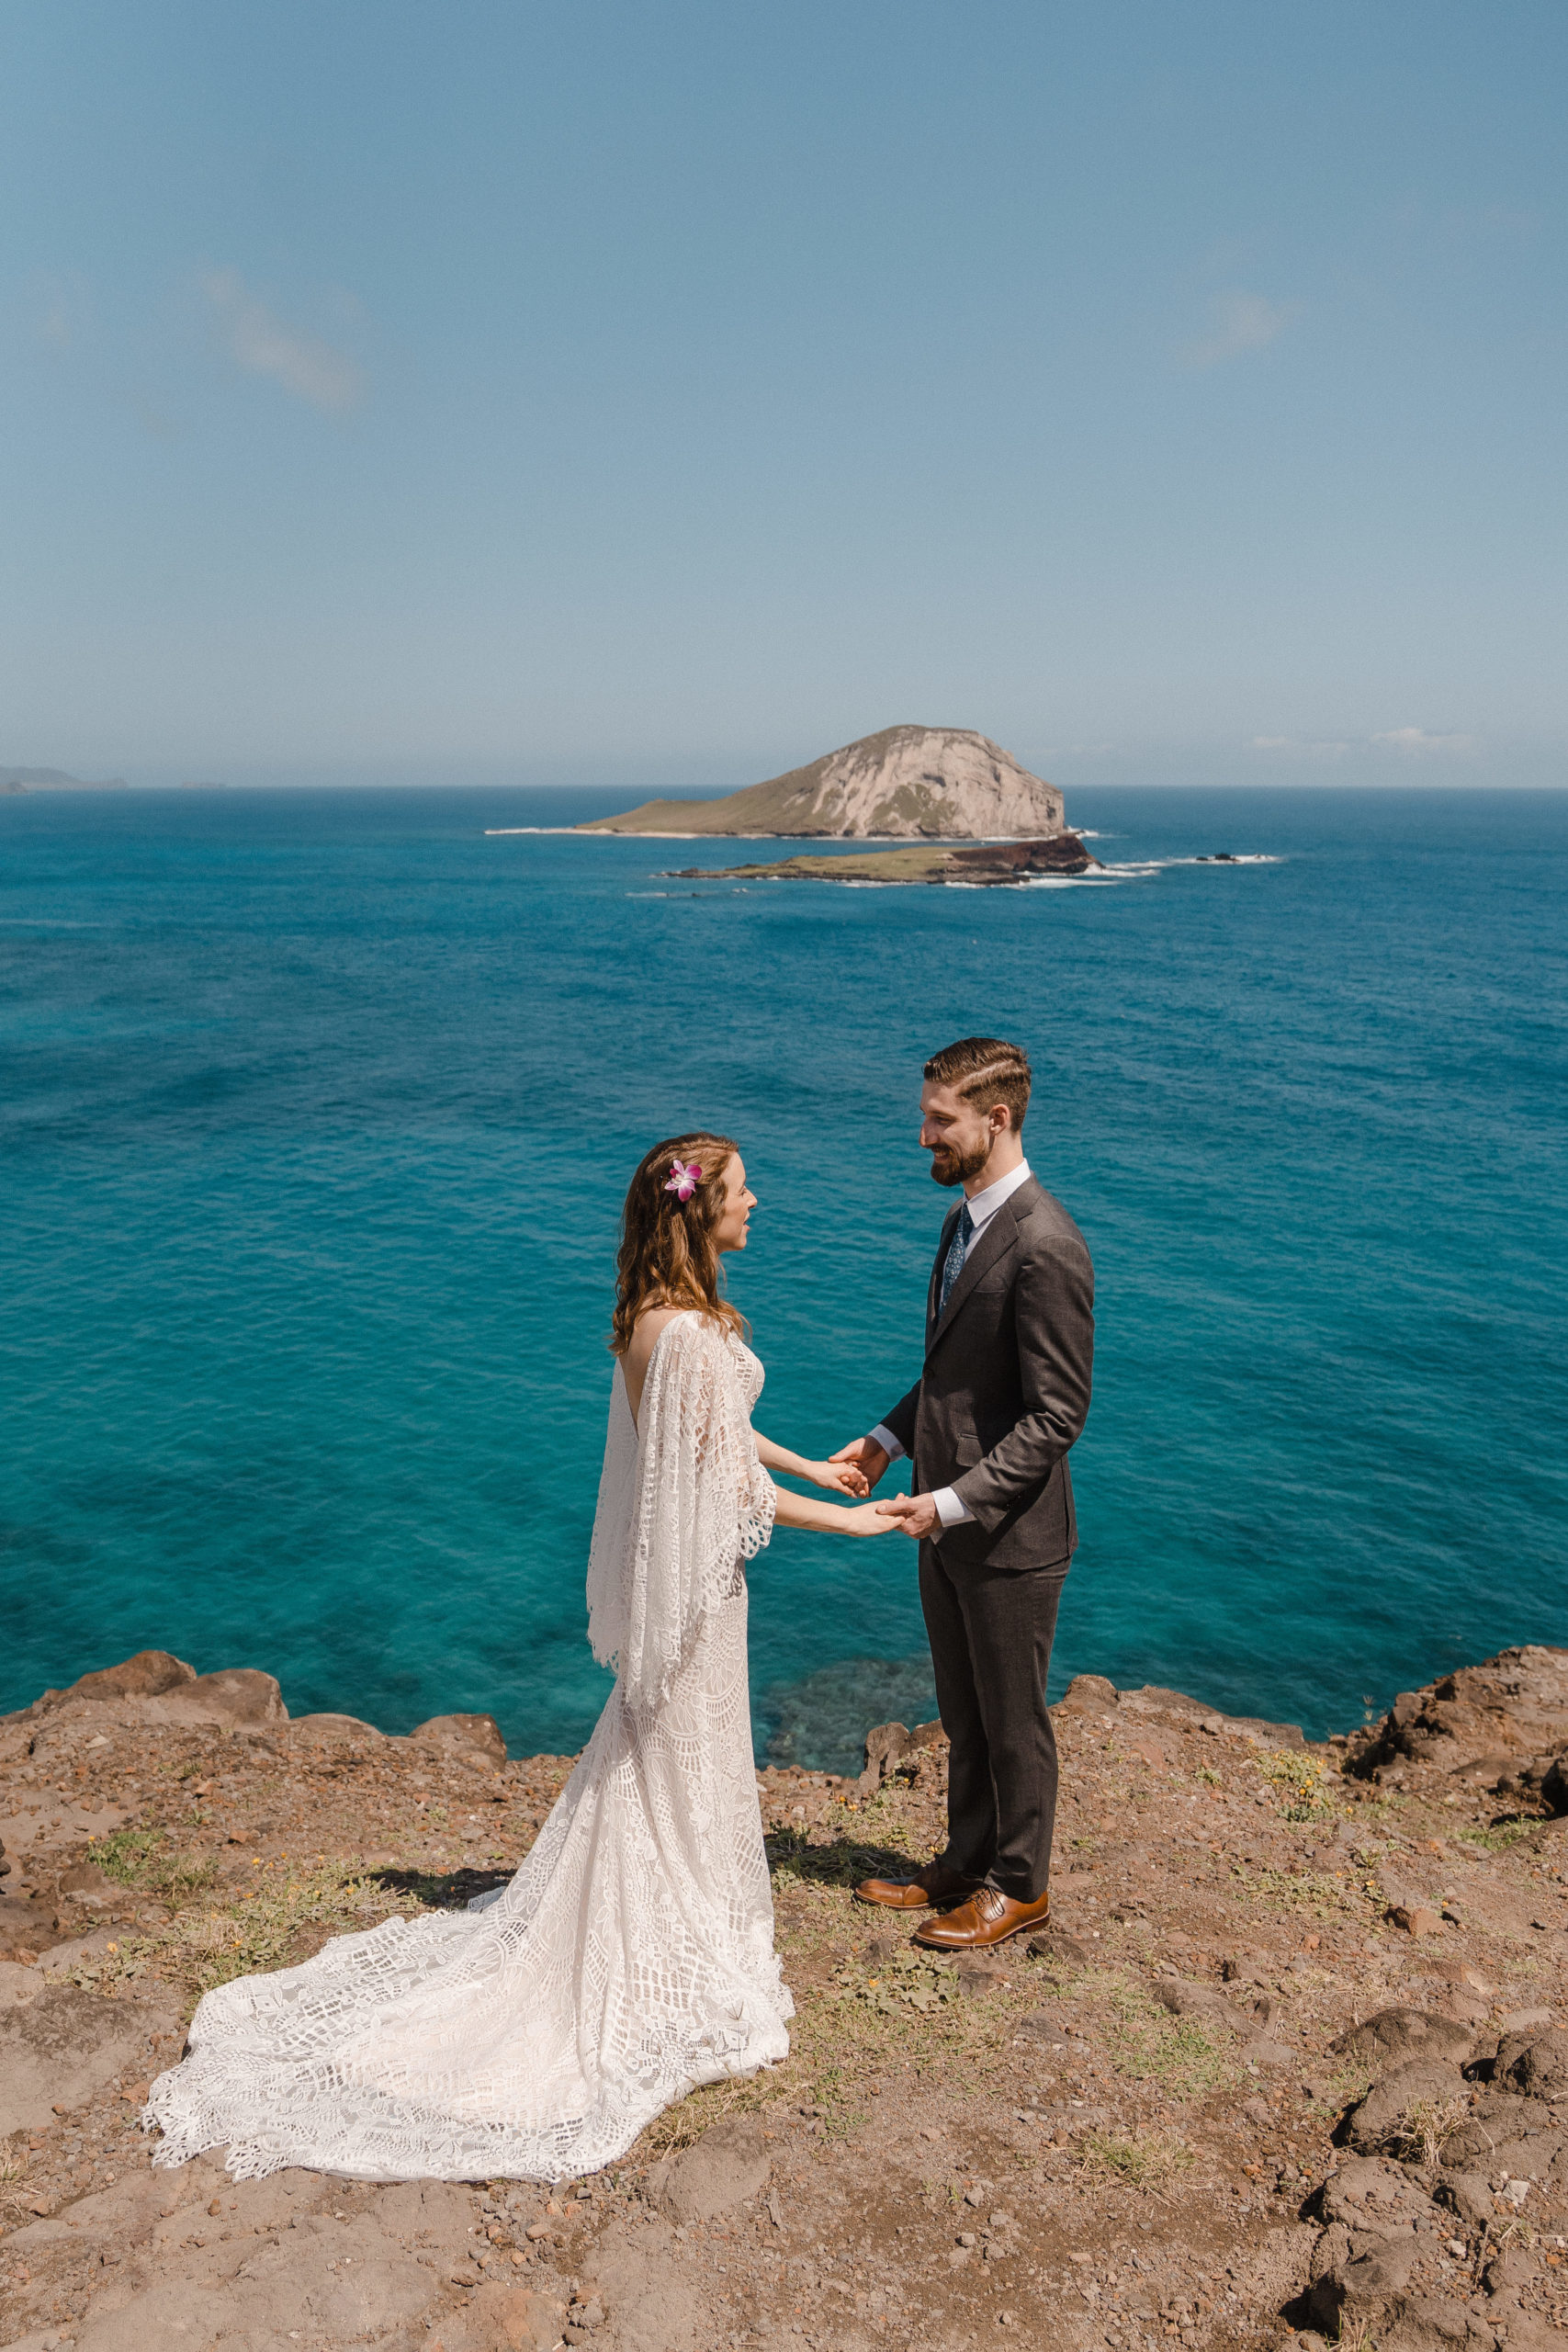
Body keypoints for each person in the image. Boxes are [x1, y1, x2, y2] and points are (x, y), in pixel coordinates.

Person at [145, 1132, 892, 2183]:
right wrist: (852, 1524)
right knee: (677, 1766)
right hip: (702, 1597)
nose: (757, 1201)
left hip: (679, 1592)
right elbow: (727, 1486)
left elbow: (709, 1433)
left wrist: (808, 1455)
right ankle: (669, 1942)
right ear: (698, 1211)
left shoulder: (650, 1323)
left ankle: (677, 1914)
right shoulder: (687, 1336)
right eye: (740, 1189)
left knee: (661, 1764)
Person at [839, 1037, 1094, 1951]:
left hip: (1009, 1536)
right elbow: (953, 1377)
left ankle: (1020, 1885)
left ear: (998, 1119)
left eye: (938, 1119)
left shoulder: (1046, 1245)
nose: (922, 1136)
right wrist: (886, 1441)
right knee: (961, 1709)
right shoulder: (963, 1224)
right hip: (942, 1520)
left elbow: (1056, 1416)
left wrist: (949, 1502)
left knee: (1013, 1718)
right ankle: (964, 1860)